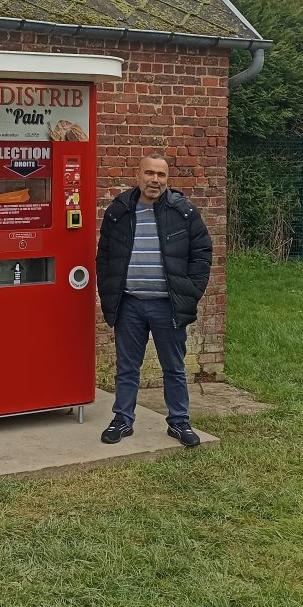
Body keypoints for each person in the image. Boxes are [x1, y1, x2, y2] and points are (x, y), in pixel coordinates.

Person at [96, 153, 212, 447]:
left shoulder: (183, 211)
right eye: (149, 173)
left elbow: (201, 253)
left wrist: (191, 290)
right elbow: (105, 256)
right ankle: (122, 419)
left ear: (167, 179)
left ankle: (179, 422)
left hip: (167, 305)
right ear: (138, 175)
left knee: (173, 366)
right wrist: (109, 290)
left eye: (161, 175)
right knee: (127, 366)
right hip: (130, 303)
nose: (155, 180)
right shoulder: (119, 211)